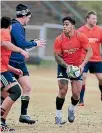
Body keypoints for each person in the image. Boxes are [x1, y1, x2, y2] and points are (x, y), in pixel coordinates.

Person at [9, 4, 46, 124]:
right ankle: (2, 118)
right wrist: (34, 43)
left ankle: (23, 115)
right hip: (10, 62)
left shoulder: (18, 26)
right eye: (28, 17)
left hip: (20, 62)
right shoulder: (15, 25)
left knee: (27, 87)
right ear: (24, 16)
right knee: (5, 92)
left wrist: (31, 44)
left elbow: (21, 44)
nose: (29, 20)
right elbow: (21, 43)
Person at [54, 16, 92, 124]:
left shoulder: (81, 37)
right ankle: (58, 116)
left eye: (66, 24)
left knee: (76, 94)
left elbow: (89, 51)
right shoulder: (59, 39)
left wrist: (83, 65)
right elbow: (57, 56)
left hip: (77, 67)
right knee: (63, 90)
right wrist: (67, 66)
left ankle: (71, 108)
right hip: (64, 66)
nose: (64, 26)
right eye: (63, 24)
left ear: (72, 26)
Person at [0, 16, 29, 131]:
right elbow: (5, 44)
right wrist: (21, 50)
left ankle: (2, 124)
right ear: (10, 26)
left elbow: (3, 61)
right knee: (16, 91)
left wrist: (14, 70)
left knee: (7, 97)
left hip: (3, 69)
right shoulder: (5, 31)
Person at [78, 11, 102, 106]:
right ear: (87, 19)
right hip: (84, 59)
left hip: (97, 59)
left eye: (96, 19)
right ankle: (81, 100)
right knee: (83, 77)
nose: (95, 20)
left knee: (101, 78)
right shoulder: (80, 31)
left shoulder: (99, 30)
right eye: (93, 18)